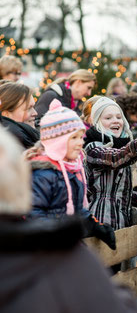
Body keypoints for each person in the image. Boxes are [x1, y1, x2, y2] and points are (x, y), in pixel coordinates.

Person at [0, 127, 137, 313]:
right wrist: (116, 294)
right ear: (19, 182)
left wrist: (93, 223)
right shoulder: (63, 263)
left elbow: (81, 207)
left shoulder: (72, 169)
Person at [27, 98, 116, 250]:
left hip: (68, 244)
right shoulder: (42, 174)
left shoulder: (72, 170)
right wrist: (60, 235)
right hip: (47, 249)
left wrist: (95, 225)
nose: (81, 143)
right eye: (74, 138)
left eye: (81, 137)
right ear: (57, 141)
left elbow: (76, 210)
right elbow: (33, 215)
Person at [84, 96, 137, 230]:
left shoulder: (123, 148)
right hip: (101, 221)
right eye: (108, 118)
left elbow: (115, 189)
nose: (115, 121)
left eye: (119, 117)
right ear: (97, 122)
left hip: (122, 221)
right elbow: (115, 159)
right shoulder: (93, 148)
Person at [0, 82, 39, 148]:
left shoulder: (24, 139)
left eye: (33, 107)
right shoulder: (11, 146)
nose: (35, 113)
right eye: (28, 108)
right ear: (6, 114)